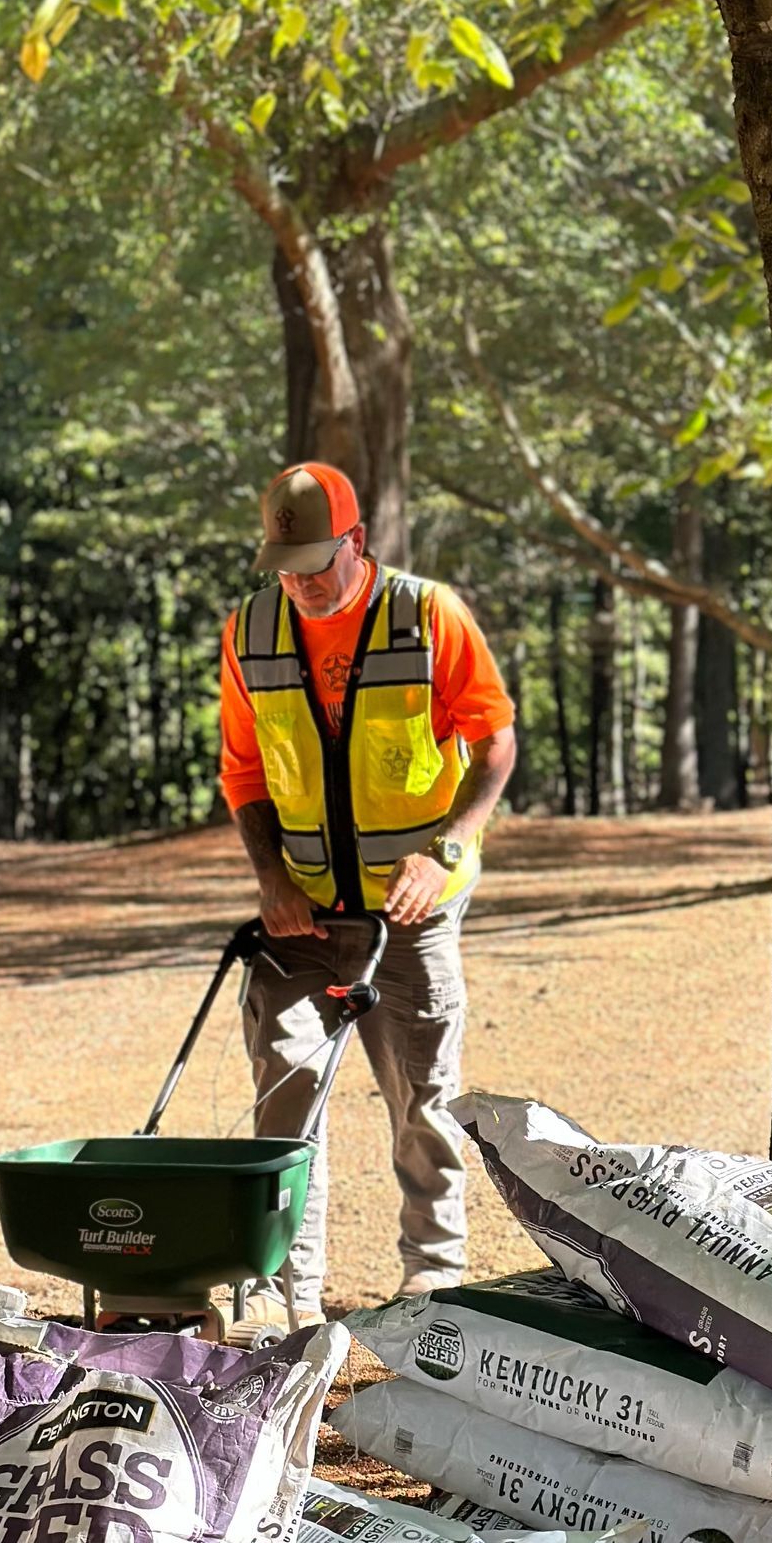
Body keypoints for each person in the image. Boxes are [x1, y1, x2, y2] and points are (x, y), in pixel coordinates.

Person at [217, 462, 518, 1326]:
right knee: (283, 1083)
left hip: (409, 908)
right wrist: (271, 879)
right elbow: (244, 772)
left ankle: (433, 1273)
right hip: (302, 909)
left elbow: (493, 742)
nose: (302, 580)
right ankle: (280, 1294)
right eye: (286, 562)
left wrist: (446, 848)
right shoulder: (252, 630)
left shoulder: (428, 615)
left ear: (359, 542)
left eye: (317, 560)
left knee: (421, 1096)